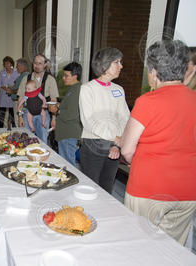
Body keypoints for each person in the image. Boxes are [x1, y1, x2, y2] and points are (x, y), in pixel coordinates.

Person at [121, 40, 196, 246]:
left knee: (139, 245)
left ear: (153, 72)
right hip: (188, 189)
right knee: (170, 250)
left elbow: (127, 149)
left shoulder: (148, 101)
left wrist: (131, 159)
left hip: (149, 187)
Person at [79, 47, 129, 194]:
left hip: (115, 145)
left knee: (107, 187)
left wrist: (117, 145)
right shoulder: (87, 89)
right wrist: (115, 138)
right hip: (93, 144)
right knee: (90, 188)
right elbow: (89, 120)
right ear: (105, 65)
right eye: (117, 62)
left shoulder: (119, 90)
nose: (121, 66)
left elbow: (125, 118)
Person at [17, 54, 59, 143]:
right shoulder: (26, 79)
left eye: (40, 63)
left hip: (43, 113)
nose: (37, 65)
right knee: (26, 140)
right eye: (35, 63)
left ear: (45, 65)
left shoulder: (50, 79)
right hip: (27, 113)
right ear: (33, 64)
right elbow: (21, 99)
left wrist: (54, 119)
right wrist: (20, 116)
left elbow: (54, 101)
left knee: (43, 141)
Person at [49, 62, 82, 167]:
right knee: (65, 161)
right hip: (65, 132)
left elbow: (71, 114)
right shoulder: (73, 89)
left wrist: (56, 110)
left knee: (68, 164)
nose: (63, 78)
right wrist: (59, 105)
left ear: (75, 76)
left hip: (69, 133)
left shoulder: (77, 90)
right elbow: (70, 107)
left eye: (66, 76)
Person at [0, 56, 19, 128]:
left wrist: (12, 88)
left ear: (11, 64)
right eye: (5, 63)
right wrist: (6, 87)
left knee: (12, 115)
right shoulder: (2, 72)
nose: (6, 65)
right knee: (1, 115)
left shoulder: (17, 72)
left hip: (13, 97)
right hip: (3, 96)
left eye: (8, 63)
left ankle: (13, 129)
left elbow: (18, 84)